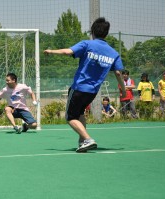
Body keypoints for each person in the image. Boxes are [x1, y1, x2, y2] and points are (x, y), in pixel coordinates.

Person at [44, 17, 126, 152]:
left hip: (79, 88)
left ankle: (88, 139)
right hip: (93, 92)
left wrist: (51, 51)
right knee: (80, 114)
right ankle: (83, 142)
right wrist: (123, 90)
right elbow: (118, 73)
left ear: (92, 31)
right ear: (106, 33)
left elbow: (67, 51)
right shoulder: (113, 52)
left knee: (70, 117)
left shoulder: (87, 44)